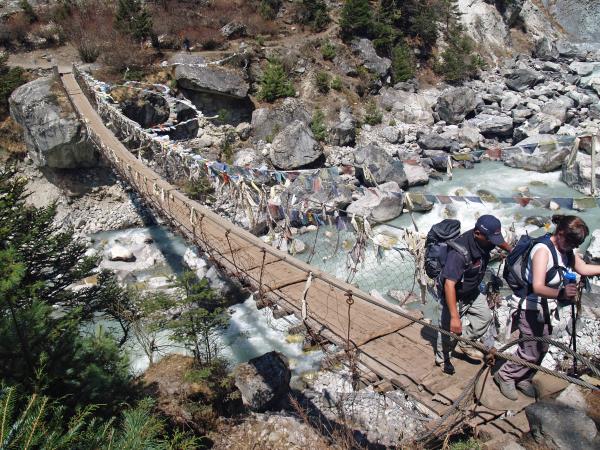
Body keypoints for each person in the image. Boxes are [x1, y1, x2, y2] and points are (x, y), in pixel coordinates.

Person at [494, 215, 600, 400]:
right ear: (560, 233)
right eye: (572, 243)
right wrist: (561, 294)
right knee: (529, 350)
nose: (574, 248)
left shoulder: (565, 249)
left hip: (546, 308)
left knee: (542, 347)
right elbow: (538, 286)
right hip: (530, 307)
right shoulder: (543, 251)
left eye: (577, 244)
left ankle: (523, 377)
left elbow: (582, 268)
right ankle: (505, 376)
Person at [435, 215, 512, 375]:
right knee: (449, 330)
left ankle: (464, 341)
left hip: (472, 290)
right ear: (477, 233)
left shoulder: (485, 240)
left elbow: (499, 242)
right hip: (454, 295)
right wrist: (455, 317)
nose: (494, 243)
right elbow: (449, 285)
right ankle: (442, 358)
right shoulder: (459, 253)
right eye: (491, 239)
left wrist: (513, 251)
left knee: (484, 317)